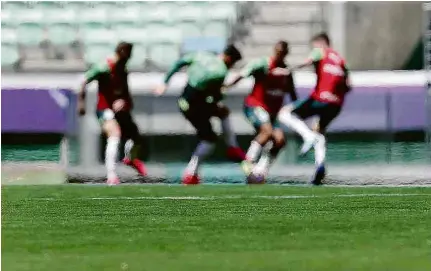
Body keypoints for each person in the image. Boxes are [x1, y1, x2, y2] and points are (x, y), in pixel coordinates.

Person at [155, 45, 245, 185]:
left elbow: (179, 63)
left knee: (219, 117)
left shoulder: (201, 54)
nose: (231, 66)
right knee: (210, 138)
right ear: (228, 58)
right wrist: (221, 93)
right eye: (232, 63)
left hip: (184, 101)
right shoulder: (220, 71)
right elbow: (214, 96)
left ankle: (194, 172)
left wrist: (165, 82)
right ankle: (231, 148)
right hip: (195, 105)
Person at [277, 32, 351, 185]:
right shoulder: (340, 59)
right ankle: (320, 165)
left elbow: (307, 61)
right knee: (319, 130)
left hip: (321, 98)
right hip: (336, 104)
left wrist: (288, 70)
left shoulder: (320, 50)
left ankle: (307, 137)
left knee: (284, 113)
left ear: (321, 43)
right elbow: (349, 85)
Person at [225, 41, 297, 181]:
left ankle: (260, 171)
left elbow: (293, 94)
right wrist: (227, 86)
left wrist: (295, 111)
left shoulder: (286, 72)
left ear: (286, 54)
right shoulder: (263, 64)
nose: (279, 56)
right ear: (274, 51)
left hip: (272, 113)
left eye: (282, 54)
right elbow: (243, 73)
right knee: (267, 132)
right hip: (255, 106)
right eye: (277, 52)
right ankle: (248, 161)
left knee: (280, 140)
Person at [77, 42, 147, 185]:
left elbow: (126, 92)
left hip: (120, 110)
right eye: (128, 54)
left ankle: (130, 158)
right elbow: (84, 80)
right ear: (122, 53)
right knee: (114, 134)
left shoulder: (123, 69)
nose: (129, 58)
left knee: (136, 136)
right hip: (105, 109)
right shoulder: (105, 67)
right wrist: (81, 103)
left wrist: (125, 103)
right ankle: (112, 176)